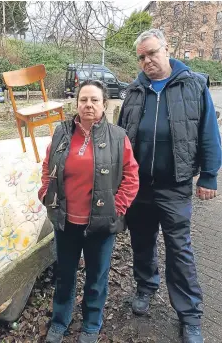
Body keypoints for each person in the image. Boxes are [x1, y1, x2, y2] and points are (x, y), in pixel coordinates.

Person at [118, 29, 221, 343]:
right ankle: (146, 287)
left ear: (167, 49)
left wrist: (209, 176)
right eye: (142, 56)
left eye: (152, 53)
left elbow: (208, 132)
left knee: (179, 249)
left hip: (174, 185)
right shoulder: (135, 90)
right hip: (138, 186)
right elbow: (121, 137)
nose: (147, 60)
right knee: (142, 242)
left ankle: (189, 315)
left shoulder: (193, 84)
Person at [38, 80, 139, 343]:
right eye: (83, 100)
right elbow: (48, 167)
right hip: (66, 220)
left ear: (104, 104)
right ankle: (60, 321)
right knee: (65, 275)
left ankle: (92, 324)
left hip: (101, 224)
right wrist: (46, 193)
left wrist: (117, 208)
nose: (88, 105)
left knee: (96, 276)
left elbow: (131, 175)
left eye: (94, 100)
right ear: (76, 103)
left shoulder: (118, 137)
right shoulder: (61, 133)